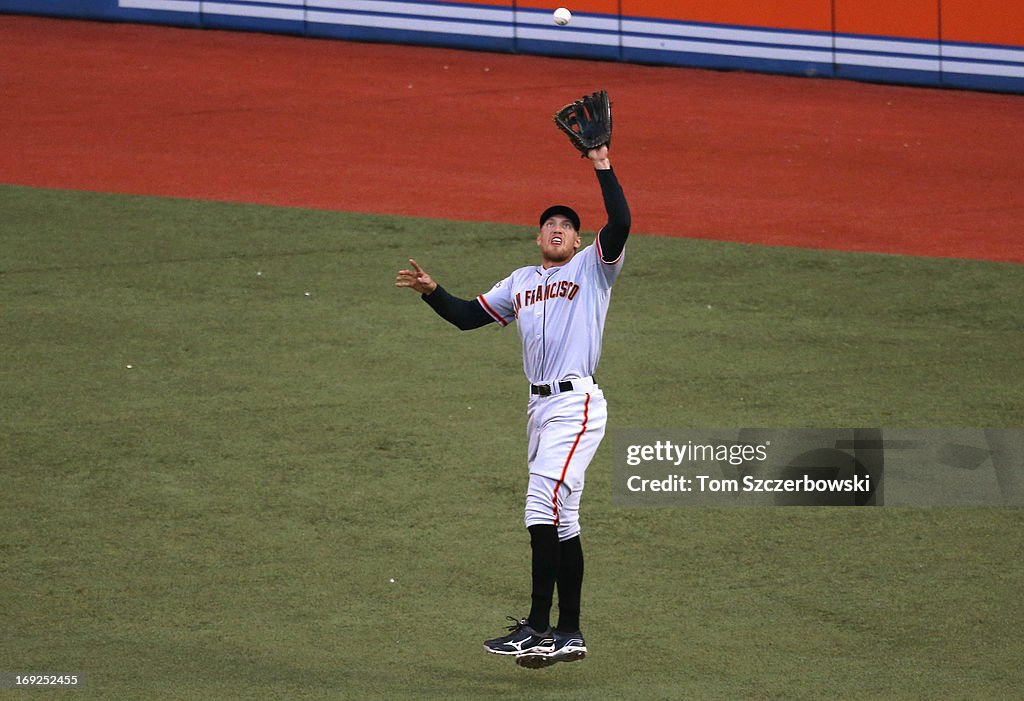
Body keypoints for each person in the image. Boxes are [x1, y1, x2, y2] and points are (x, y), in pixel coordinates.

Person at [395, 143, 630, 668]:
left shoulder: (594, 269)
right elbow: (465, 317)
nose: (556, 229)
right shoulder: (520, 282)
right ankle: (568, 634)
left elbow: (621, 220)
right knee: (562, 520)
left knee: (536, 506)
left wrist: (601, 163)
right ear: (538, 235)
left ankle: (537, 625)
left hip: (577, 404)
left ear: (577, 239)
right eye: (549, 223)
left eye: (567, 226)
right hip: (540, 412)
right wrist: (433, 291)